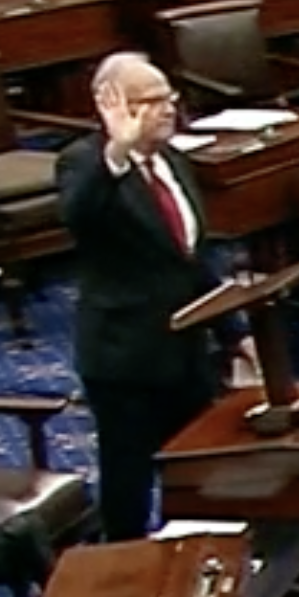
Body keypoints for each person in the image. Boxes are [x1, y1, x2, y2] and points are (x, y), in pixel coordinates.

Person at [57, 51, 252, 543]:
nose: (169, 108)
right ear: (114, 106)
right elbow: (79, 218)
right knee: (129, 482)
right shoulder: (85, 162)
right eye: (154, 100)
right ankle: (125, 578)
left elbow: (192, 258)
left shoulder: (175, 162)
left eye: (171, 97)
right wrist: (117, 155)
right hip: (125, 356)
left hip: (186, 348)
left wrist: (237, 333)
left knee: (195, 466)